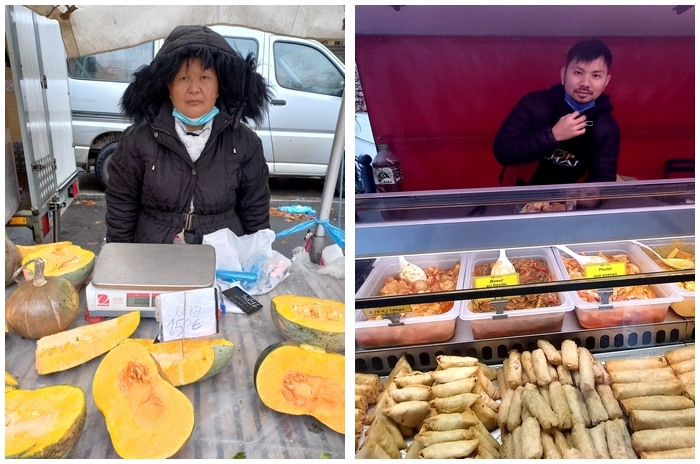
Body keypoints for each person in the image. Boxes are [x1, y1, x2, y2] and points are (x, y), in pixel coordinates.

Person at [105, 25, 272, 244]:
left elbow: (255, 213)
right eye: (183, 78)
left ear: (219, 86)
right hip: (152, 257)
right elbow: (121, 206)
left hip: (222, 259)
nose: (194, 88)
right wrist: (120, 259)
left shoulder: (245, 143)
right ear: (169, 87)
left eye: (204, 77)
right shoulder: (137, 140)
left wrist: (257, 260)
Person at [493, 39, 620, 186]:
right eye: (578, 72)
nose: (585, 83)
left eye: (596, 76)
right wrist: (553, 136)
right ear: (563, 74)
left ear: (606, 82)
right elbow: (502, 151)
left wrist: (576, 202)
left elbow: (603, 181)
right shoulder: (534, 103)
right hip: (517, 195)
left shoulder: (606, 127)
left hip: (567, 202)